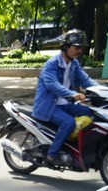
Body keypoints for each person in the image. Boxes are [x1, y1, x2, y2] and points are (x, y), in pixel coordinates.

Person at [31, 29, 98, 167]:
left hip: (65, 103)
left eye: (81, 48)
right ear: (66, 47)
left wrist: (102, 89)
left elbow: (85, 80)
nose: (79, 51)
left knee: (91, 113)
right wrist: (73, 94)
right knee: (68, 123)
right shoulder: (52, 64)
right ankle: (52, 155)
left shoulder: (74, 64)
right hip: (48, 106)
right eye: (76, 47)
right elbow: (52, 84)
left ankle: (76, 147)